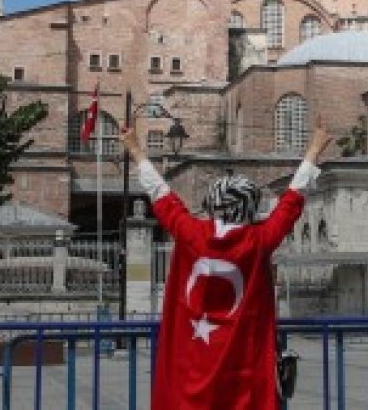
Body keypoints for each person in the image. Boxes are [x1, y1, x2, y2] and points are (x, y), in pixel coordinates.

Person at [119, 121, 332, 410]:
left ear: (212, 204)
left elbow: (160, 193)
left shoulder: (190, 233)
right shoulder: (259, 240)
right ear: (250, 207)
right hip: (241, 366)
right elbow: (293, 199)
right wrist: (314, 149)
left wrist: (135, 149)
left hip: (194, 361)